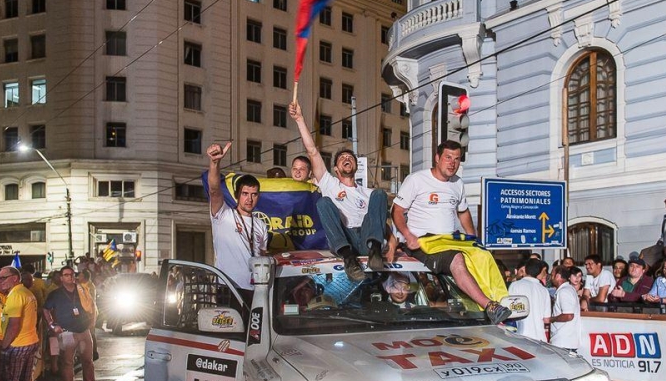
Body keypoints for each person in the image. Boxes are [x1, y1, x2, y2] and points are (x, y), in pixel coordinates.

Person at [392, 140, 511, 325]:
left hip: (449, 240)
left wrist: (474, 238)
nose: (452, 163)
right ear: (437, 158)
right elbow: (397, 211)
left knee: (483, 256)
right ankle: (489, 306)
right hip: (423, 242)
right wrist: (408, 236)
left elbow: (463, 212)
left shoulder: (457, 183)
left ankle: (499, 302)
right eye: (448, 158)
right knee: (457, 259)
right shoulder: (416, 179)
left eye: (457, 159)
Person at [290, 102, 387, 280]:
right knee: (324, 202)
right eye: (342, 158)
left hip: (366, 238)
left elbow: (381, 221)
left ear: (356, 166)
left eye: (350, 157)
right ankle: (348, 258)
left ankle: (375, 251)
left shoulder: (369, 193)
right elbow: (312, 151)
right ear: (335, 169)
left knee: (380, 194)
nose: (347, 159)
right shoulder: (330, 184)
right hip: (345, 239)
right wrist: (299, 120)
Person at [207, 142, 269, 291]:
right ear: (236, 195)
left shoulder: (261, 224)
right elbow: (214, 190)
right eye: (245, 194)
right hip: (228, 288)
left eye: (254, 195)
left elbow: (263, 256)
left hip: (256, 289)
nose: (249, 199)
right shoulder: (223, 215)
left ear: (258, 196)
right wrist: (215, 163)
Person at [43, 266, 101, 381]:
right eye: (66, 275)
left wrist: (91, 322)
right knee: (67, 362)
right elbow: (45, 309)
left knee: (88, 361)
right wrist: (52, 325)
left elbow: (91, 305)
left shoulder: (82, 290)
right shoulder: (55, 294)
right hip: (67, 332)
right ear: (61, 278)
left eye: (72, 274)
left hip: (84, 330)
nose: (70, 277)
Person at [0, 267, 40, 381]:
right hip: (30, 341)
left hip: (17, 345)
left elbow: (14, 326)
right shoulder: (25, 293)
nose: (1, 281)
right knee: (27, 380)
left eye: (4, 277)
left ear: (15, 278)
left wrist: (4, 346)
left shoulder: (16, 295)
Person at [507, 259, 551, 342]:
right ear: (539, 272)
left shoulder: (515, 285)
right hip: (540, 338)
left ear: (525, 269)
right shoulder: (544, 290)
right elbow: (546, 319)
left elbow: (510, 312)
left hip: (520, 336)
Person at [550, 266, 581, 352]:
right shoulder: (569, 289)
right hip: (565, 342)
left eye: (552, 275)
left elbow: (569, 316)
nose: (551, 278)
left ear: (558, 276)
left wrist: (551, 319)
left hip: (563, 342)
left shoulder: (564, 291)